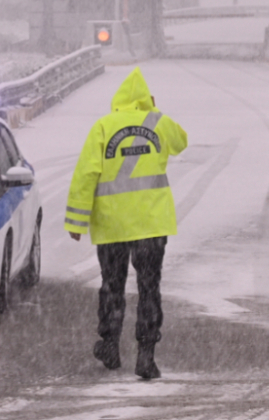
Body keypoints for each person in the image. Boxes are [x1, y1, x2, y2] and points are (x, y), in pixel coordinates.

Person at [65, 68, 188, 380]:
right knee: (149, 288)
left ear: (118, 99)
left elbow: (85, 175)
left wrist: (76, 221)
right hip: (151, 225)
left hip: (112, 225)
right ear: (146, 99)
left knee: (112, 285)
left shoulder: (103, 127)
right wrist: (153, 112)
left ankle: (110, 345)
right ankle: (146, 355)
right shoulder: (158, 123)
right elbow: (181, 142)